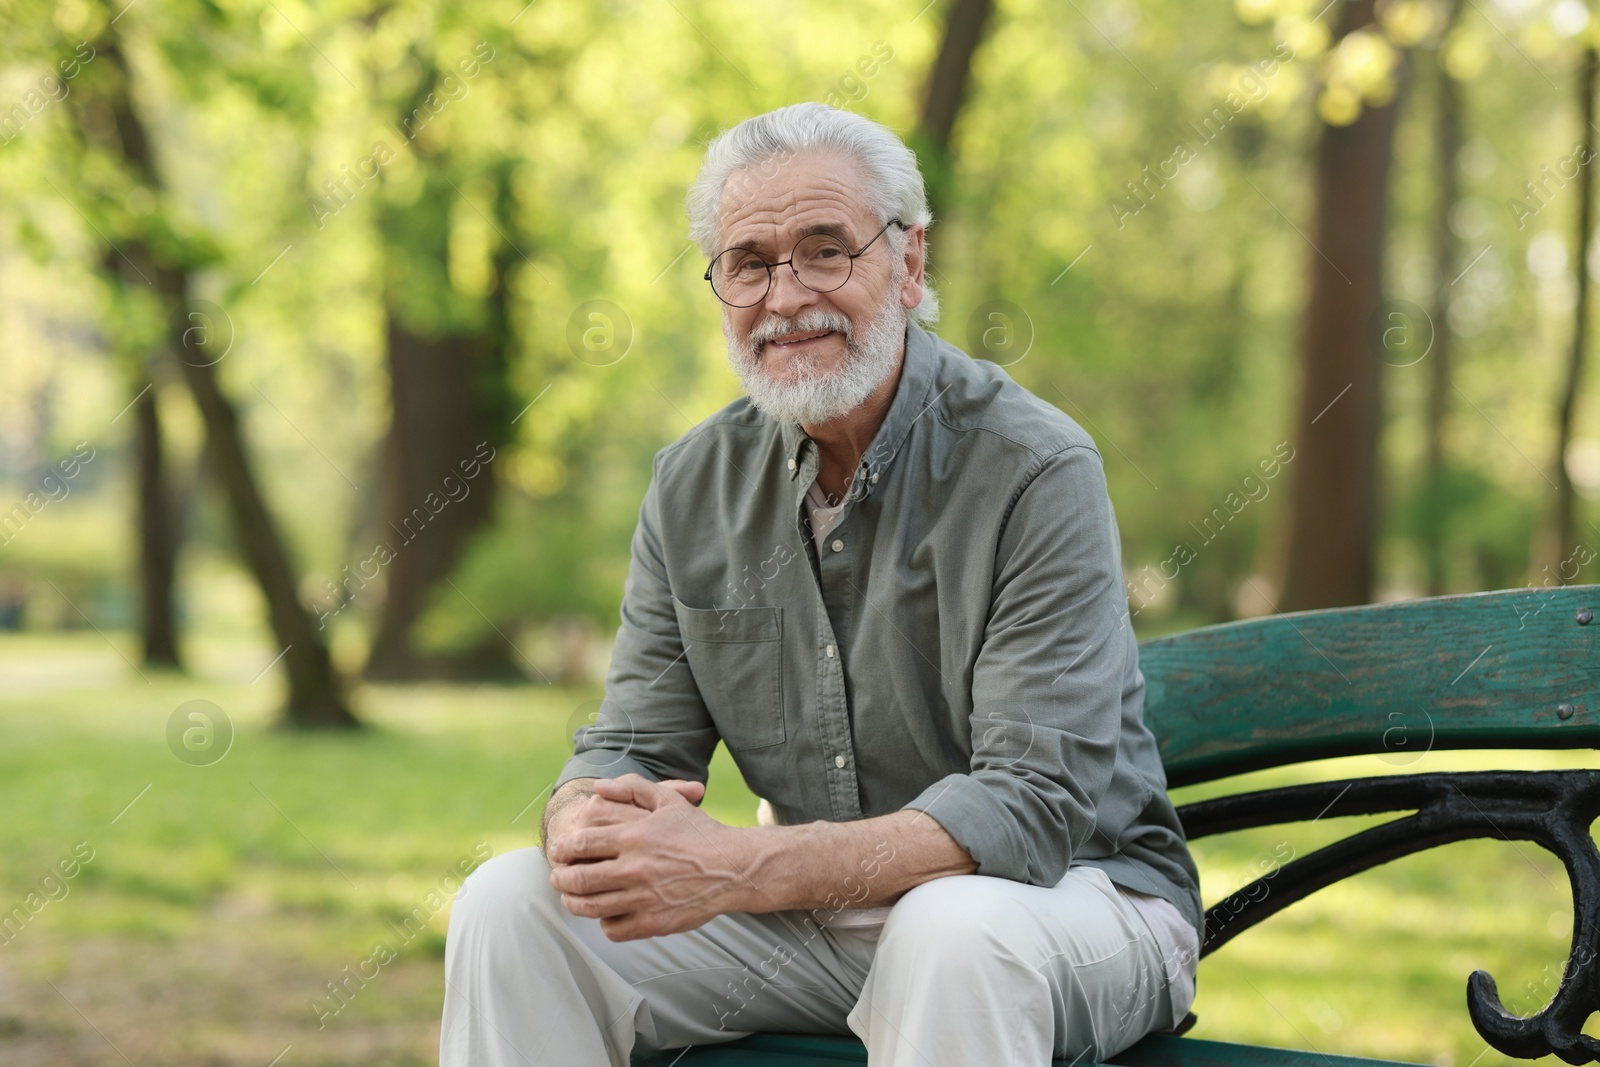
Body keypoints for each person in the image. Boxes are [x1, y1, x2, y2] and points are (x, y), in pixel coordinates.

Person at [440, 101, 1202, 1067]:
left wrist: (742, 866)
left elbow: (1032, 803)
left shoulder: (1033, 467)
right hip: (813, 921)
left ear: (911, 265)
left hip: (1075, 904)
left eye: (825, 249)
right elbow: (633, 743)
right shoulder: (693, 483)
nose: (786, 295)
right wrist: (583, 818)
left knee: (951, 931)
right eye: (750, 263)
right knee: (510, 907)